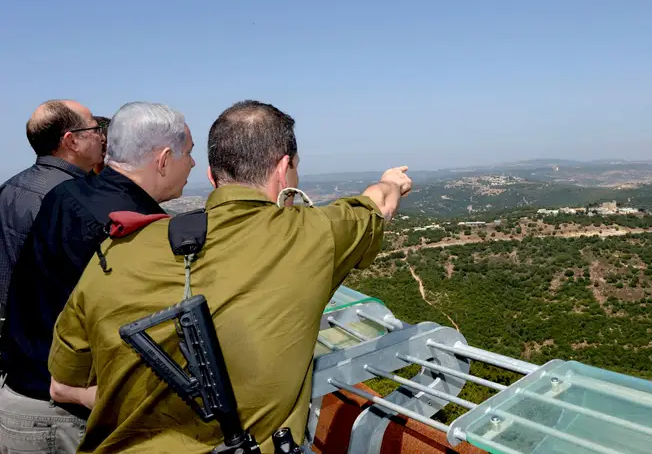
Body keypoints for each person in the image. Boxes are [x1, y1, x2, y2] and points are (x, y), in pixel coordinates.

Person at [48, 100, 412, 453]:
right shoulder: (313, 234)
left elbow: (62, 386)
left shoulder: (115, 252)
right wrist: (392, 181)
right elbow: (378, 202)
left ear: (211, 176)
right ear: (283, 168)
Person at [0, 102, 195, 454]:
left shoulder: (66, 194)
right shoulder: (129, 227)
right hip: (63, 417)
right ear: (164, 159)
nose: (193, 164)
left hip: (24, 396)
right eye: (189, 153)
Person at [0, 100, 104, 325]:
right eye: (96, 129)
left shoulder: (9, 188)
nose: (102, 137)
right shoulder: (75, 200)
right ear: (71, 140)